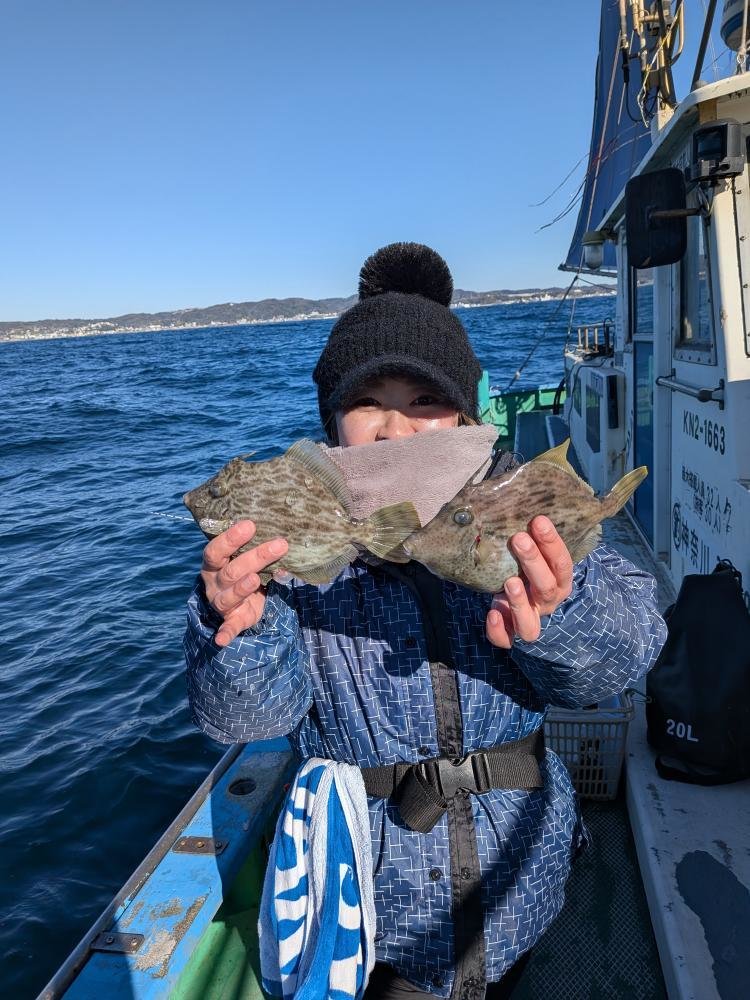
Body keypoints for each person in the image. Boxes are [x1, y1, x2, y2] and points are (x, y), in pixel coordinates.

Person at [184, 243, 667, 999]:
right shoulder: (294, 548)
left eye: (423, 399)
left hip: (521, 883)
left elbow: (620, 663)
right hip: (372, 906)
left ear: (467, 415)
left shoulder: (518, 501)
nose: (394, 430)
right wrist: (238, 626)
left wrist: (560, 609)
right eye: (367, 402)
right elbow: (248, 719)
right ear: (331, 422)